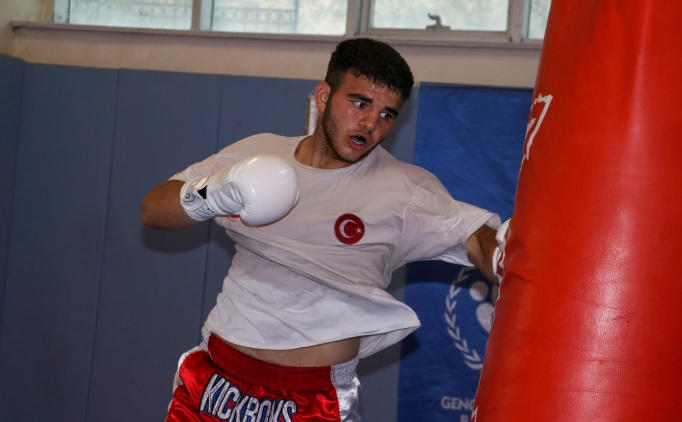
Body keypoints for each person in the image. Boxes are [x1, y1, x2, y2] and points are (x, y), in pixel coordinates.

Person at [140, 38, 501, 422]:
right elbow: (153, 209)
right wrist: (213, 195)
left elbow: (477, 239)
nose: (371, 124)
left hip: (312, 400)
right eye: (360, 103)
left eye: (387, 114)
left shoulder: (404, 189)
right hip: (216, 381)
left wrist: (505, 255)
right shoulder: (259, 153)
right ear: (324, 95)